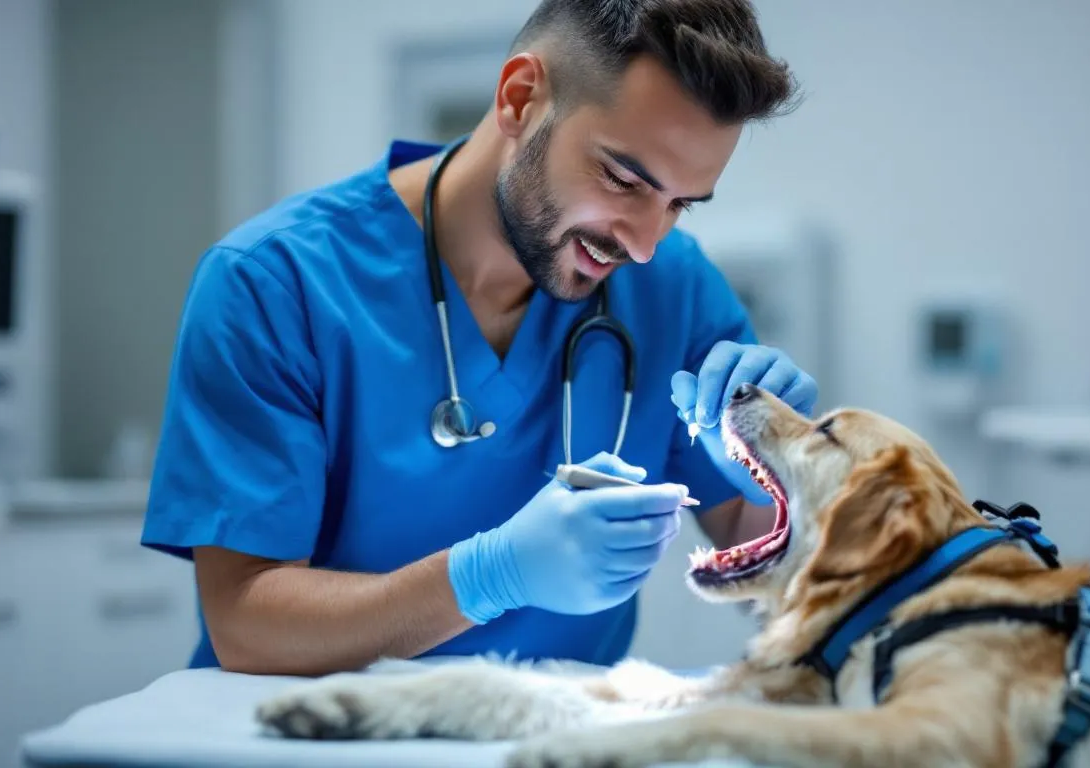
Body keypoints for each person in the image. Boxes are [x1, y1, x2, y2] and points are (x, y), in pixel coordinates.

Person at [141, 0, 818, 677]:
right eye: (622, 179)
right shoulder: (274, 283)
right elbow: (246, 624)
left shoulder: (676, 289)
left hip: (551, 739)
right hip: (312, 737)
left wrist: (779, 479)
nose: (643, 245)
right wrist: (487, 577)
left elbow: (756, 548)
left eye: (678, 204)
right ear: (520, 98)